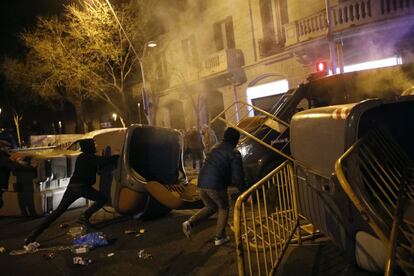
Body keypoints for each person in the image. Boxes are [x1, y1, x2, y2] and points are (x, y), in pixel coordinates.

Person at [24, 139, 119, 245]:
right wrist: (118, 156)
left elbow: (98, 164)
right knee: (102, 199)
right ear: (89, 147)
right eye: (93, 145)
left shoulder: (82, 157)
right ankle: (84, 217)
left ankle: (33, 234)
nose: (95, 147)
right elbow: (106, 161)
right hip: (81, 187)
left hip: (72, 187)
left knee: (58, 212)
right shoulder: (89, 157)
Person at [182, 127, 246, 246]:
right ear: (235, 140)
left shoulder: (215, 147)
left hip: (201, 183)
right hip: (215, 185)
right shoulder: (234, 152)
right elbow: (238, 177)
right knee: (224, 207)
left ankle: (190, 223)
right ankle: (219, 237)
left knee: (211, 207)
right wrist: (245, 193)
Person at [0, 140, 36, 208]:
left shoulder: (4, 158)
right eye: (7, 148)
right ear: (2, 148)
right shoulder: (3, 158)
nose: (9, 149)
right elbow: (14, 166)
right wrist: (31, 167)